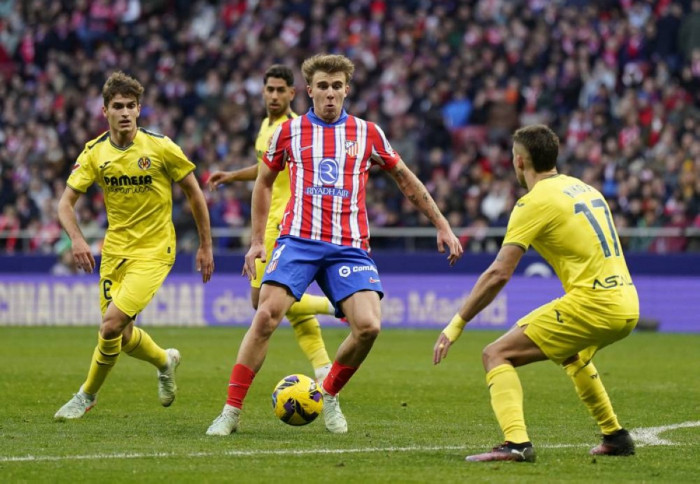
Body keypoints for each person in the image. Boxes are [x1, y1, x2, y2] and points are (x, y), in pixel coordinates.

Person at [206, 54, 463, 436]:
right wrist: (257, 241)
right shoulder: (288, 132)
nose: (330, 93)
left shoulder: (367, 132)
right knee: (265, 314)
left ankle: (327, 393)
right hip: (298, 240)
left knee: (369, 327)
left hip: (348, 246)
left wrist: (442, 224)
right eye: (323, 86)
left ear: (347, 89)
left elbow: (405, 178)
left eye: (337, 86)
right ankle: (230, 411)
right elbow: (263, 183)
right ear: (309, 90)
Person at [433, 124, 639, 462]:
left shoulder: (533, 202)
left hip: (594, 303)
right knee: (573, 355)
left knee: (496, 354)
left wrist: (457, 324)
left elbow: (499, 273)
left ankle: (516, 443)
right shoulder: (586, 189)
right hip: (627, 301)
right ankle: (615, 436)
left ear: (519, 161)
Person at [54, 71, 214, 420]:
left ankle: (86, 395)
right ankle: (164, 361)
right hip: (115, 252)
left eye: (130, 106)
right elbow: (65, 204)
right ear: (105, 111)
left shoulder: (161, 146)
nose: (125, 112)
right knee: (123, 337)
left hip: (155, 251)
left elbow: (194, 193)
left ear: (139, 109)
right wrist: (77, 239)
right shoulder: (95, 153)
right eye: (117, 106)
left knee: (110, 325)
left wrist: (206, 245)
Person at [208, 64, 335, 383]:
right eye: (270, 90)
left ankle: (334, 307)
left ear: (293, 93)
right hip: (268, 221)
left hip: (283, 222)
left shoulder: (297, 128)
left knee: (262, 301)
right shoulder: (267, 126)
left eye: (281, 90)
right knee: (281, 303)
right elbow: (266, 168)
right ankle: (323, 366)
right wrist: (233, 175)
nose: (275, 95)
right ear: (263, 92)